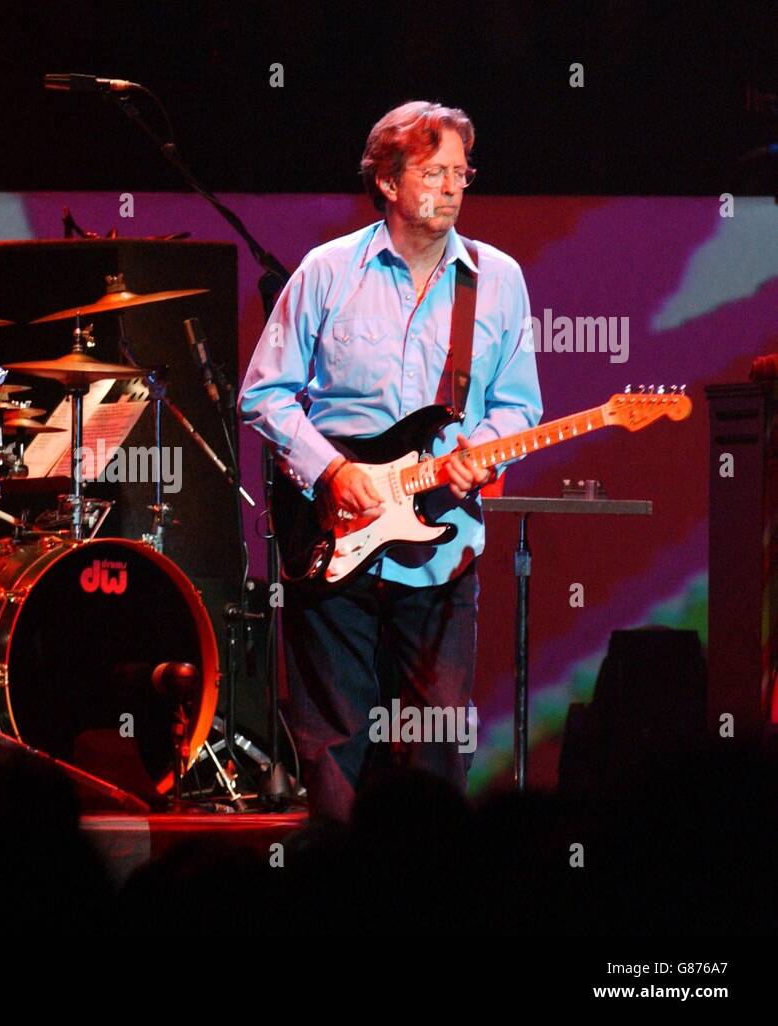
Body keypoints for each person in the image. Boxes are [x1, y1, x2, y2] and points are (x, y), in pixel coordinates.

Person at [239, 101, 543, 821]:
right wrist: (332, 471)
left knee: (437, 741)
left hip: (442, 550)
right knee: (334, 743)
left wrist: (481, 449)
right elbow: (265, 394)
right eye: (433, 172)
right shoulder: (325, 272)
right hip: (332, 537)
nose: (451, 187)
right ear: (387, 181)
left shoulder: (496, 281)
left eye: (460, 173)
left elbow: (518, 405)